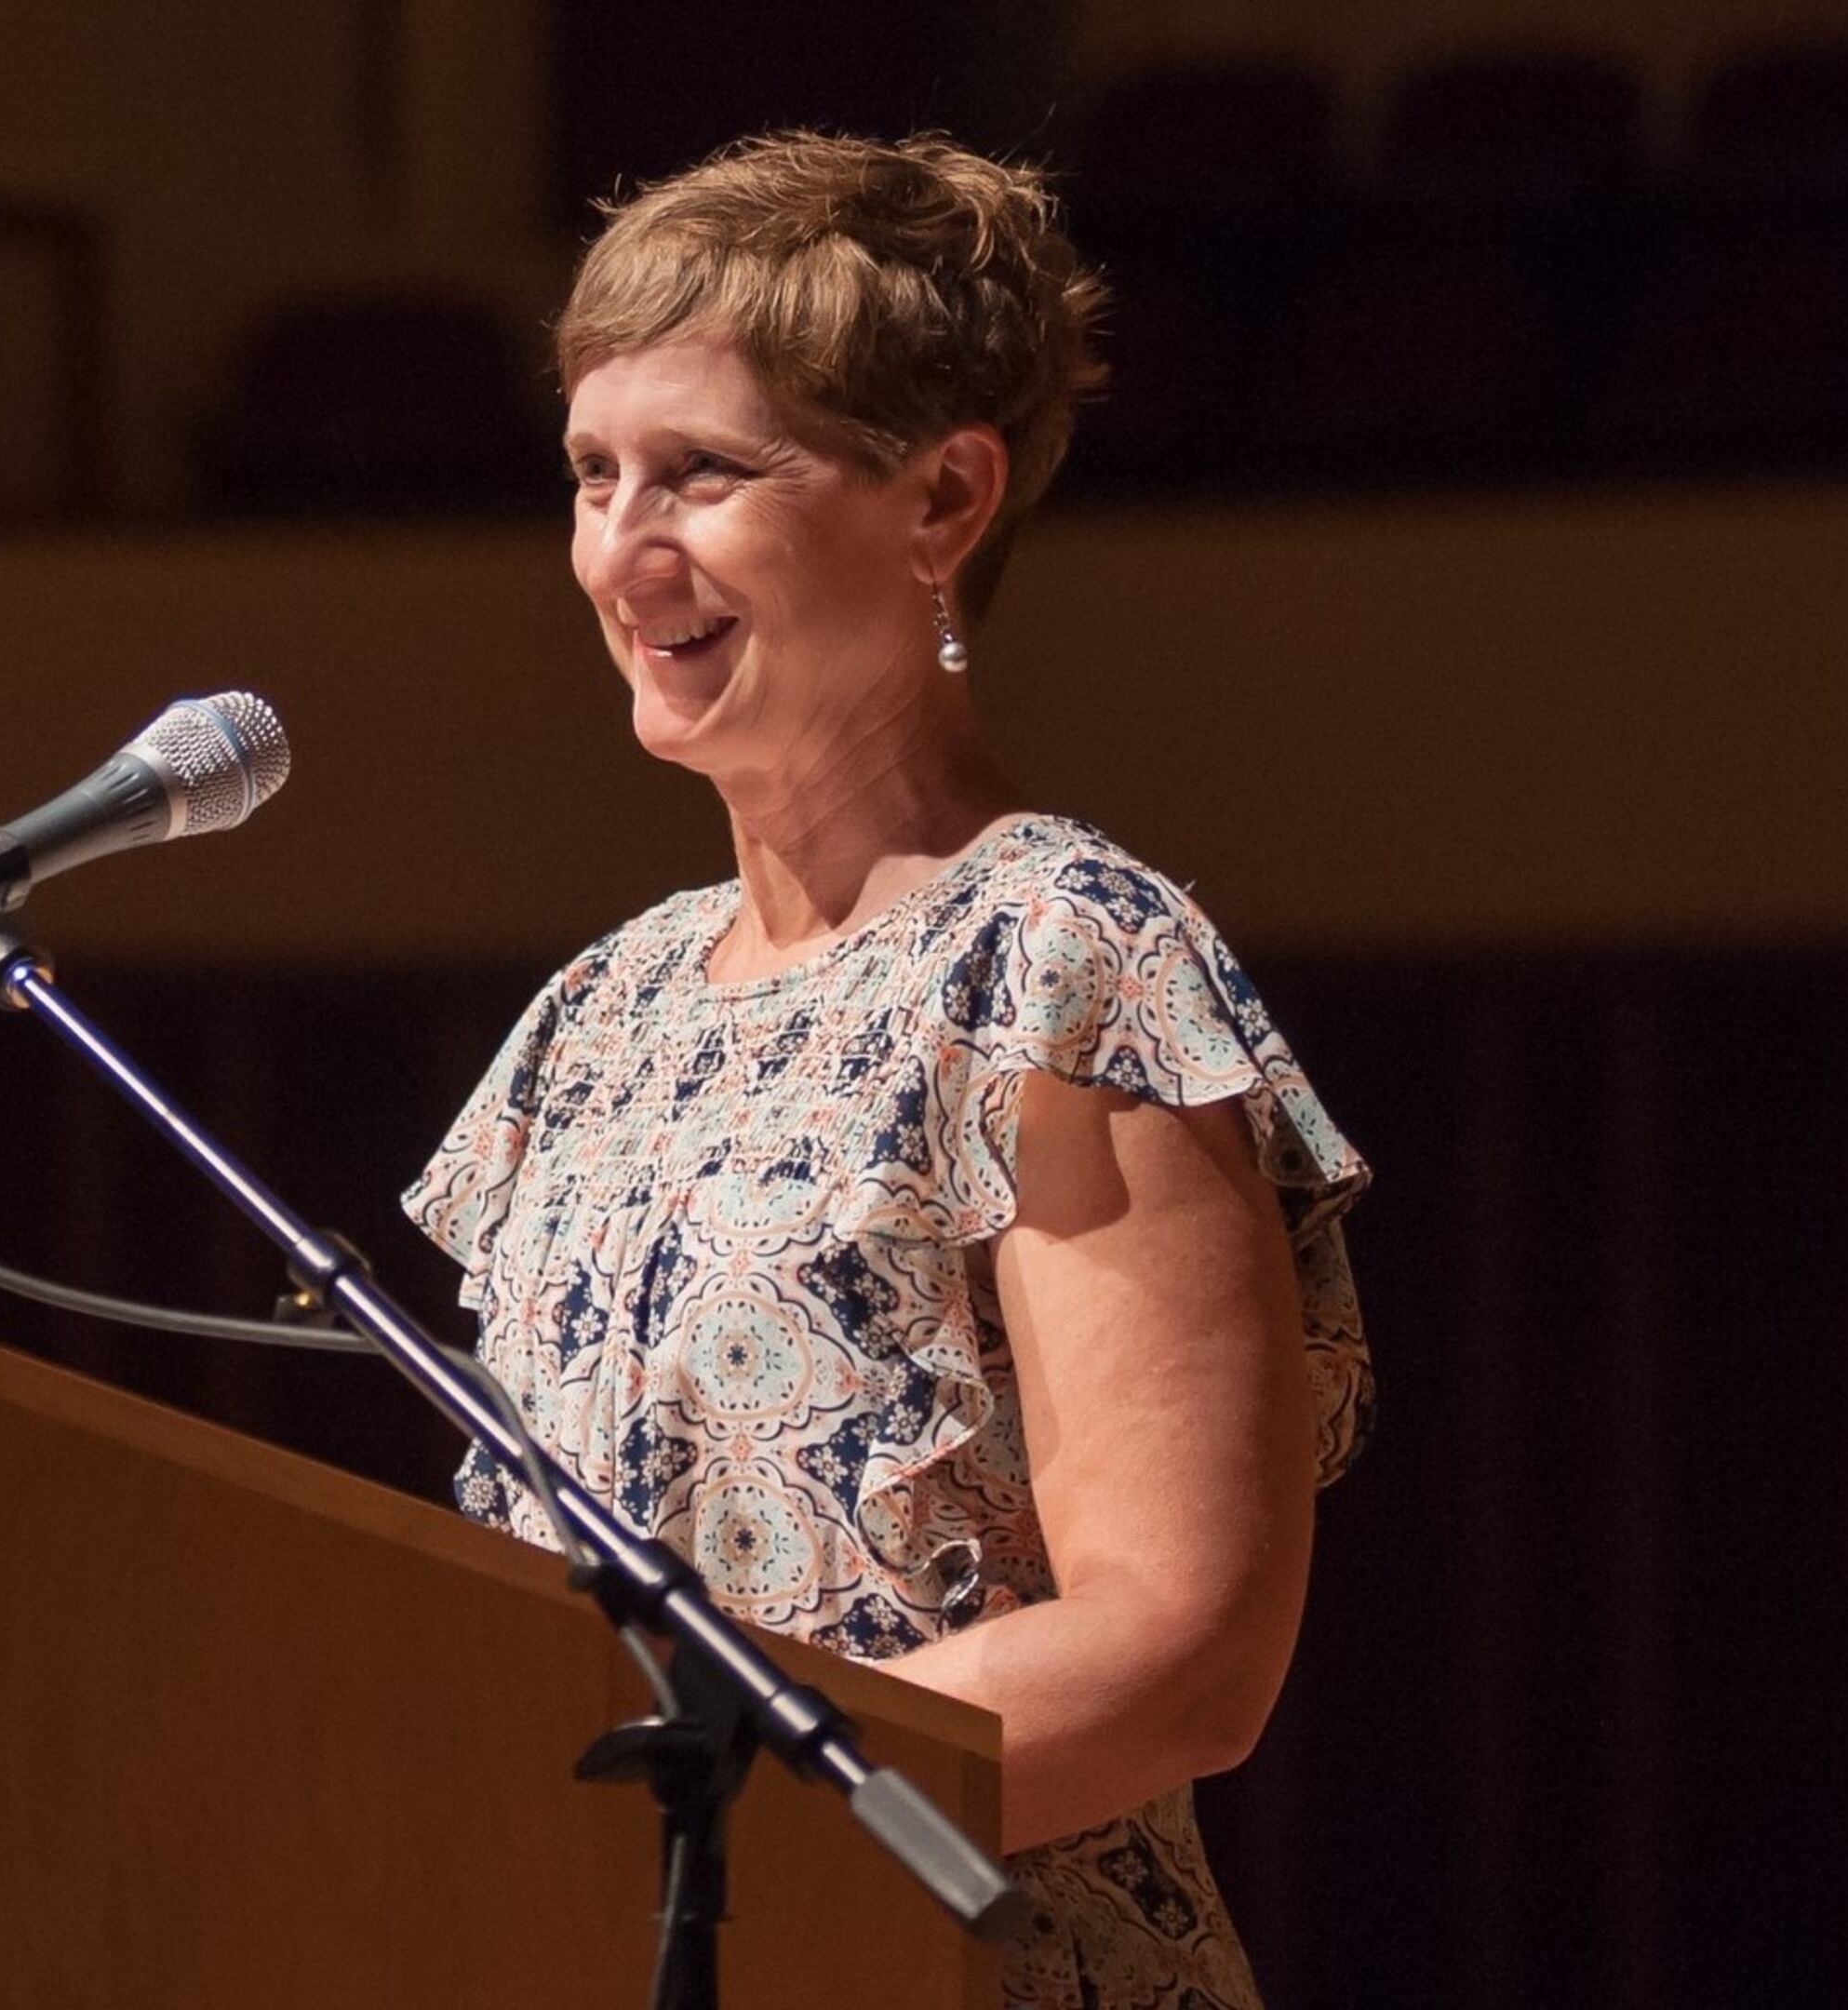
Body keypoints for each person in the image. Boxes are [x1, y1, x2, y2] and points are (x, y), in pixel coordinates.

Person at [403, 132, 1371, 2009]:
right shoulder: (596, 1018)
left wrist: (694, 1803)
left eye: (703, 472)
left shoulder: (1061, 959)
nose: (623, 547)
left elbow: (1180, 1649)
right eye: (595, 475)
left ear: (942, 496)